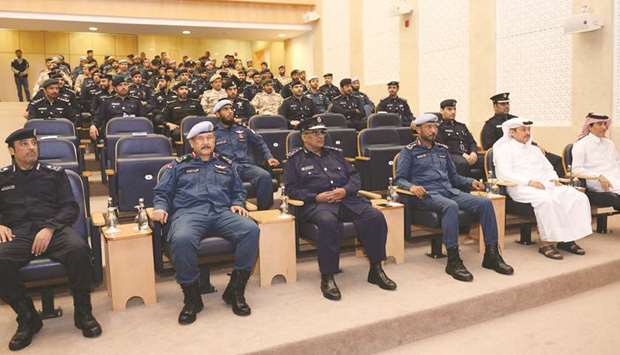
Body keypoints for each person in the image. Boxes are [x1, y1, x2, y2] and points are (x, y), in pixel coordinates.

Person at [0, 128, 102, 351]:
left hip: (53, 229)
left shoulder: (54, 173)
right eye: (24, 144)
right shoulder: (2, 177)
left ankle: (83, 312)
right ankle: (27, 318)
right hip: (19, 233)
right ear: (12, 150)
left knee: (79, 250)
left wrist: (49, 228)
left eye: (33, 143)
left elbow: (69, 207)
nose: (31, 148)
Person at [152, 121, 259, 324]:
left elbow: (238, 191)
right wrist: (160, 208)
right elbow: (162, 193)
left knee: (250, 230)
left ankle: (235, 291)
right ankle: (192, 299)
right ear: (191, 143)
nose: (206, 142)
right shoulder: (178, 166)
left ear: (215, 141)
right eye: (200, 139)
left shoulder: (226, 164)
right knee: (182, 239)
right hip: (188, 213)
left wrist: (237, 202)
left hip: (221, 212)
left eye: (209, 138)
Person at [285, 116, 397, 300]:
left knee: (374, 216)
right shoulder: (294, 160)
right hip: (318, 204)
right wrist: (315, 196)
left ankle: (376, 269)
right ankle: (327, 276)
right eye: (314, 133)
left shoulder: (335, 154)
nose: (320, 136)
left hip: (346, 200)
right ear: (304, 137)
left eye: (322, 132)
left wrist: (345, 190)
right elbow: (290, 189)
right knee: (328, 222)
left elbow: (355, 178)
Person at [395, 113, 513, 282]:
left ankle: (492, 255)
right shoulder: (409, 152)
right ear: (418, 129)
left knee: (485, 203)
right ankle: (453, 261)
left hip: (449, 191)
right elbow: (400, 179)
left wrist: (471, 182)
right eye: (428, 127)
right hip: (427, 195)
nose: (433, 130)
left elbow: (455, 178)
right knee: (450, 206)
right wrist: (411, 187)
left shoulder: (442, 150)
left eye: (435, 127)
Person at [493, 118, 592, 259]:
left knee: (576, 196)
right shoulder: (503, 150)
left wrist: (554, 178)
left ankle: (567, 239)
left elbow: (548, 168)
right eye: (523, 130)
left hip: (546, 184)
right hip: (521, 188)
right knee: (547, 201)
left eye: (529, 129)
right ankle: (546, 243)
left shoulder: (534, 150)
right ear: (512, 132)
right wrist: (528, 182)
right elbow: (504, 174)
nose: (527, 132)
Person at [214, 100, 279, 210]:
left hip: (245, 165)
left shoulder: (242, 129)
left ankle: (264, 211)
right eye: (225, 109)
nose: (230, 112)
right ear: (217, 114)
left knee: (264, 176)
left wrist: (269, 157)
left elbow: (260, 142)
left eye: (231, 109)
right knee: (233, 181)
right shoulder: (213, 133)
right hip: (226, 168)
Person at [481, 92, 565, 177]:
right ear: (495, 106)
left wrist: (536, 145)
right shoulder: (490, 125)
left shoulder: (516, 119)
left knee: (556, 160)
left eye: (507, 103)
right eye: (503, 104)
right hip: (510, 155)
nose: (506, 106)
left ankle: (556, 184)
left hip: (526, 151)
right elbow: (489, 147)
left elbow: (524, 136)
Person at [572, 113, 620, 210]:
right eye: (599, 124)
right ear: (589, 126)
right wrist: (598, 176)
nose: (604, 127)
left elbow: (617, 163)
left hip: (615, 178)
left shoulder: (609, 143)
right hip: (598, 182)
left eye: (605, 124)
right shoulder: (581, 145)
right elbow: (575, 170)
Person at [435, 99, 483, 178]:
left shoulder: (461, 126)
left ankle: (485, 186)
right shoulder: (439, 127)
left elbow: (472, 142)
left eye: (454, 109)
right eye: (449, 109)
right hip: (451, 155)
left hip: (468, 155)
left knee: (486, 160)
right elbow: (442, 146)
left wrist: (473, 153)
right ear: (441, 110)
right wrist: (462, 154)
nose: (453, 112)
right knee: (462, 163)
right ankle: (465, 187)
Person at [90, 76, 144, 140]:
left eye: (125, 84)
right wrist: (93, 126)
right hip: (114, 133)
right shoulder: (107, 101)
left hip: (132, 132)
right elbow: (98, 117)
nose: (123, 87)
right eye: (120, 85)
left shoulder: (136, 101)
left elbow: (143, 118)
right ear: (115, 88)